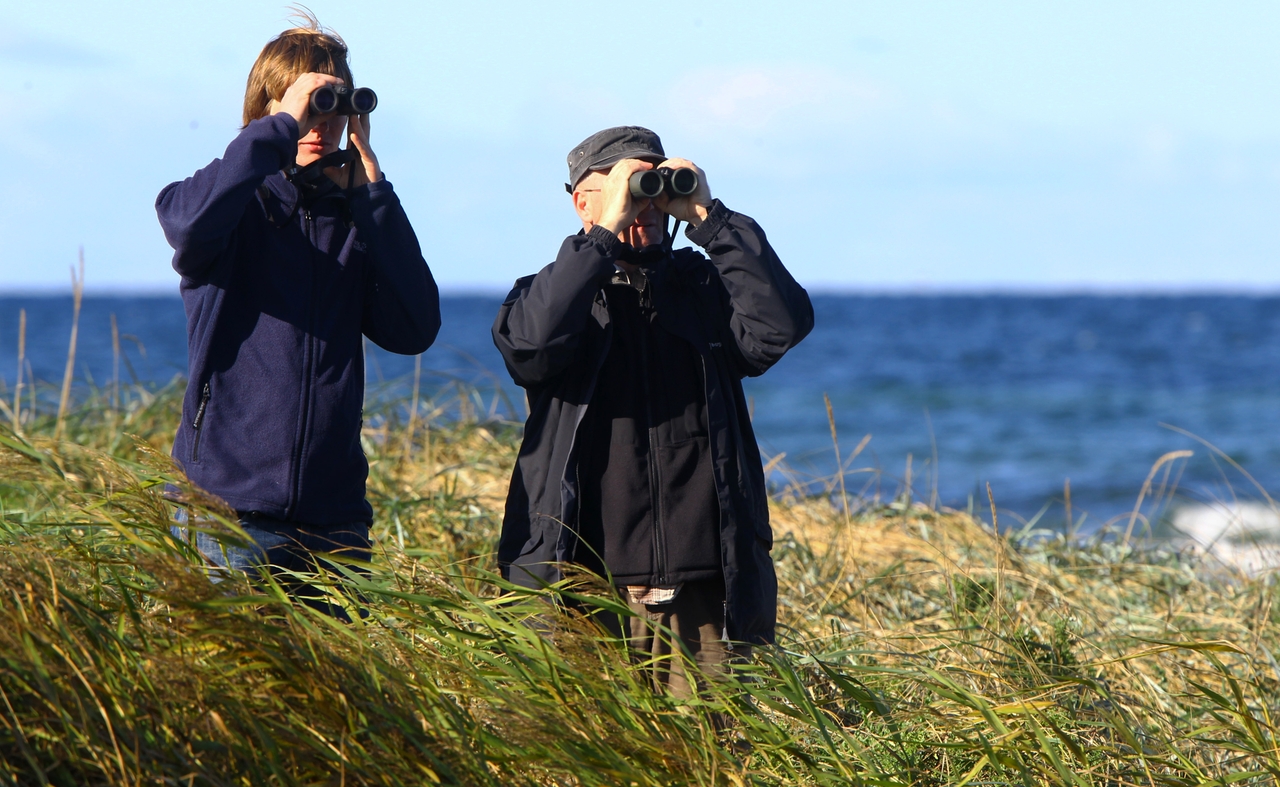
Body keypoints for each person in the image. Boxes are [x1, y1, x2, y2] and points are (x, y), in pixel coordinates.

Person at [492, 126, 813, 694]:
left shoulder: (703, 291)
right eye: (625, 186)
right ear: (581, 202)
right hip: (585, 587)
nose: (641, 204)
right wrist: (604, 240)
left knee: (714, 762)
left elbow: (781, 325)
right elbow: (531, 348)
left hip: (704, 589)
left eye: (650, 186)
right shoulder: (551, 297)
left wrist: (710, 219)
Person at [155, 17, 440, 606]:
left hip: (332, 519)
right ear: (270, 106)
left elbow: (415, 328)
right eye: (312, 103)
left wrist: (374, 195)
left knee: (334, 701)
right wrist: (279, 127)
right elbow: (185, 223)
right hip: (226, 511)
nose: (322, 120)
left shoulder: (352, 223)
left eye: (335, 104)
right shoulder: (232, 210)